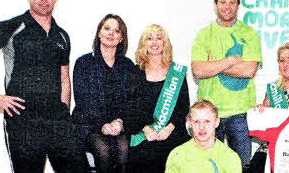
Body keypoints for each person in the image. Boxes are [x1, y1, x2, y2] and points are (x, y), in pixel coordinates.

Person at [0, 0, 89, 172]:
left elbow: (64, 78)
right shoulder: (12, 27)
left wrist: (63, 112)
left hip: (57, 120)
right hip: (22, 122)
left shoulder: (61, 35)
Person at [191, 0, 262, 168]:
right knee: (209, 167)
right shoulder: (204, 34)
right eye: (223, 2)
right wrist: (230, 60)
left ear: (238, 5)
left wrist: (214, 65)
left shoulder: (249, 34)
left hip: (240, 112)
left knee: (241, 166)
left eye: (232, 2)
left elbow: (249, 70)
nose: (227, 6)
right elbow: (198, 70)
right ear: (215, 5)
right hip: (208, 114)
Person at [112, 24, 191, 172]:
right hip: (144, 133)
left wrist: (168, 129)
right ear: (144, 44)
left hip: (172, 132)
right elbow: (129, 109)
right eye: (149, 39)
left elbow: (183, 107)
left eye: (159, 38)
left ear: (165, 43)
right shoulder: (134, 73)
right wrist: (146, 129)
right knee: (144, 155)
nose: (154, 42)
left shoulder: (177, 73)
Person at [72, 14, 136, 173]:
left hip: (118, 125)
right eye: (106, 29)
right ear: (99, 33)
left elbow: (131, 101)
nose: (111, 34)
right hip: (90, 125)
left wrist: (119, 122)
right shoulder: (83, 63)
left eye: (116, 31)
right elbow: (82, 101)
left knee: (124, 149)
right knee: (104, 151)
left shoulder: (128, 65)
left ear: (121, 38)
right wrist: (102, 125)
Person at [165, 99, 242, 173]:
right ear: (189, 123)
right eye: (196, 122)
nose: (201, 127)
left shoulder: (231, 157)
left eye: (207, 121)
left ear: (217, 122)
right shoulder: (177, 154)